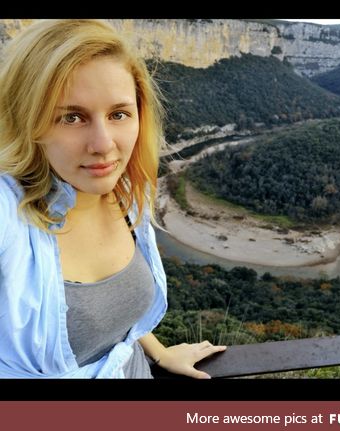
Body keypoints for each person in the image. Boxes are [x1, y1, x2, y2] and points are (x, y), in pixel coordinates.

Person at [0, 19, 227, 378]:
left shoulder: (126, 193)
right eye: (71, 117)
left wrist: (158, 352)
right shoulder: (8, 215)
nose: (104, 145)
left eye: (119, 114)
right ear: (26, 120)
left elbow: (116, 315)